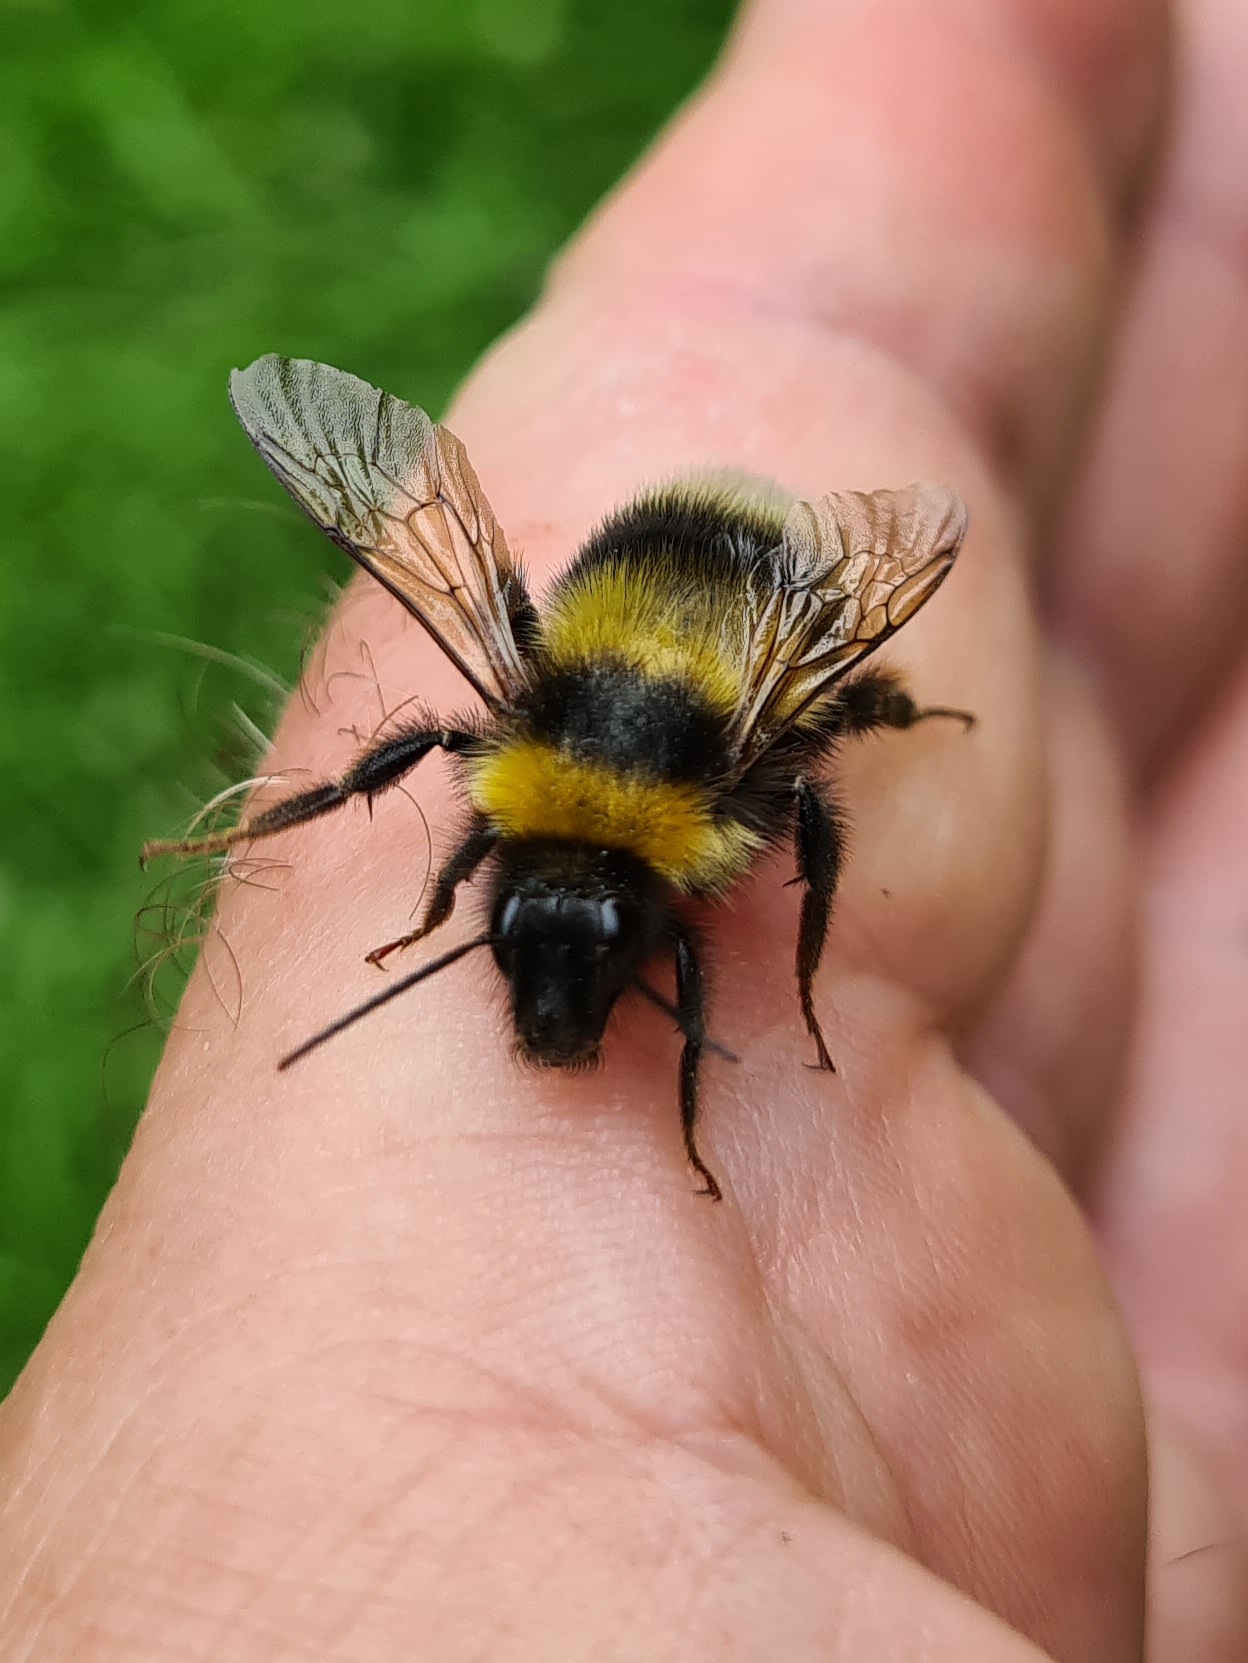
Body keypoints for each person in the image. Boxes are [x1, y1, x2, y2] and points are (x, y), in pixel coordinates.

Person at [3, 0, 1245, 1655]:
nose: (565, 996)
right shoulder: (522, 802)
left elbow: (756, 779)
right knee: (506, 736)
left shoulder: (703, 783)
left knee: (809, 757)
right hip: (654, 594)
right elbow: (464, 774)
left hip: (745, 588)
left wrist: (785, 1001)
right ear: (495, 869)